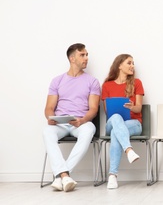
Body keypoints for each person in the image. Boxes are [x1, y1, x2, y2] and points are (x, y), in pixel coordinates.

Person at [43, 43, 101, 192]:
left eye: (87, 55)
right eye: (82, 55)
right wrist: (50, 117)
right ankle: (65, 176)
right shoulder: (57, 81)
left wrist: (82, 120)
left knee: (89, 130)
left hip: (81, 122)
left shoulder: (92, 81)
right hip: (60, 123)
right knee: (47, 131)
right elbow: (49, 107)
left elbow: (94, 109)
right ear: (72, 58)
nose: (86, 58)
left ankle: (60, 176)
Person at [101, 54, 144, 189]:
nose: (132, 66)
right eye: (129, 63)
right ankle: (128, 149)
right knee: (115, 118)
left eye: (133, 63)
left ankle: (112, 176)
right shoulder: (107, 86)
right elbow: (108, 112)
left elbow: (138, 108)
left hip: (134, 123)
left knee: (116, 132)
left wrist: (132, 107)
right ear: (119, 65)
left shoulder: (137, 83)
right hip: (113, 122)